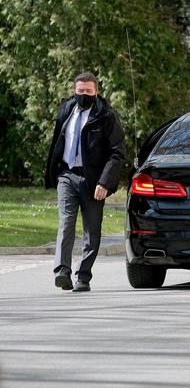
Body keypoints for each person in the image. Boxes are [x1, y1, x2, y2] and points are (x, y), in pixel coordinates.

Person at [45, 72, 126, 292]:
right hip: (67, 175)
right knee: (66, 222)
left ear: (96, 92)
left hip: (93, 181)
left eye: (88, 91)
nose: (84, 95)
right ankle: (62, 271)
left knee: (92, 231)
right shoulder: (66, 110)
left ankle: (83, 276)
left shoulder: (106, 116)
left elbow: (117, 153)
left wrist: (105, 183)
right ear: (74, 90)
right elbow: (58, 141)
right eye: (80, 91)